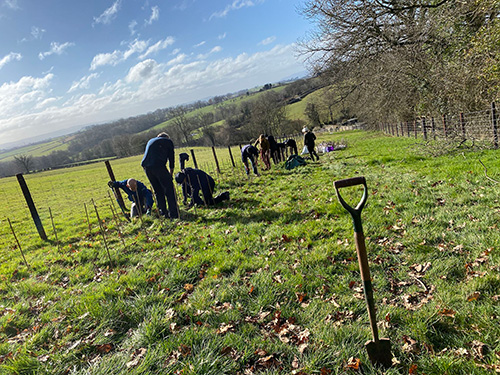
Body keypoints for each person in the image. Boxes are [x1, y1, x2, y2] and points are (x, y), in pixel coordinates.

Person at [141, 132, 179, 219]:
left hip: (146, 167)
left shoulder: (151, 141)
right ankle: (173, 213)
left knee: (158, 190)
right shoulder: (168, 141)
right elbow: (171, 158)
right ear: (166, 137)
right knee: (169, 189)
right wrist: (171, 172)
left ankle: (163, 212)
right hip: (158, 166)